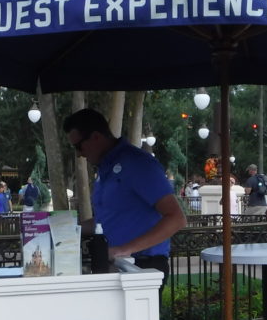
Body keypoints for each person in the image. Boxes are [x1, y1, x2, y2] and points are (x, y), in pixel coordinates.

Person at [63, 108, 186, 282]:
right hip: (116, 264)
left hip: (142, 266)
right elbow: (107, 219)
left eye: (78, 146)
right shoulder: (104, 169)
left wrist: (124, 249)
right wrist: (66, 229)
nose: (79, 154)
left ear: (96, 137)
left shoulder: (138, 164)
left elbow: (176, 218)